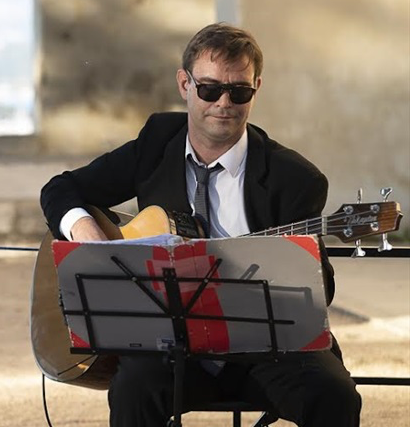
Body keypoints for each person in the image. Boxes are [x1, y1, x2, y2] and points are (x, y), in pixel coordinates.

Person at [39, 23, 360, 426]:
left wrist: (289, 265)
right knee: (134, 387)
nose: (224, 103)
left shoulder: (295, 179)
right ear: (184, 84)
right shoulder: (157, 144)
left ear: (256, 88)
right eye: (209, 89)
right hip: (172, 350)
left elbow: (320, 292)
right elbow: (59, 189)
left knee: (333, 396)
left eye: (239, 91)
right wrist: (89, 236)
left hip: (269, 351)